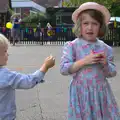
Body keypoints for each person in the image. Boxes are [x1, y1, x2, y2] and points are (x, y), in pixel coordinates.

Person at [60, 2, 120, 120]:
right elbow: (63, 69)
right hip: (80, 93)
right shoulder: (72, 46)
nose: (90, 27)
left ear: (101, 27)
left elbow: (112, 73)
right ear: (79, 25)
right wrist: (84, 61)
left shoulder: (105, 48)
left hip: (101, 93)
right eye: (85, 23)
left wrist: (105, 64)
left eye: (95, 24)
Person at [0, 33, 55, 120]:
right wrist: (45, 66)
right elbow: (29, 81)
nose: (8, 54)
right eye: (5, 51)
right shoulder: (7, 76)